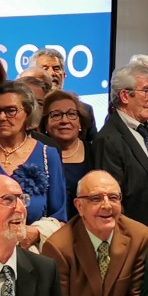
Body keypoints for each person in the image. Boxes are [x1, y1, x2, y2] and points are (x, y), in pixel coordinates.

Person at [0, 80, 67, 248]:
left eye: (10, 111)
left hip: (29, 256)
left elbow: (60, 219)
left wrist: (35, 233)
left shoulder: (48, 155)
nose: (2, 117)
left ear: (28, 113)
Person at [91, 64, 148, 239]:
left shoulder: (142, 130)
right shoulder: (109, 139)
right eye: (147, 91)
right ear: (124, 96)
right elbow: (111, 203)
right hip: (136, 243)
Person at [40, 90, 92, 219]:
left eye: (71, 114)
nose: (64, 120)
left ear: (80, 122)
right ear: (45, 124)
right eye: (56, 115)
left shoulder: (96, 152)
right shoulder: (37, 154)